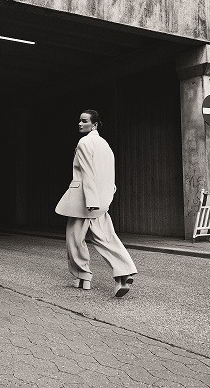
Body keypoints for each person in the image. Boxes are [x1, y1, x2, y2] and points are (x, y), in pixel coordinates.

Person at [55, 109, 137, 297]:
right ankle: (123, 272)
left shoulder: (84, 142)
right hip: (101, 199)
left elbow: (86, 172)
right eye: (79, 120)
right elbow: (109, 173)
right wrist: (105, 197)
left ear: (95, 125)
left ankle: (83, 276)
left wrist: (91, 200)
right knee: (106, 238)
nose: (80, 123)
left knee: (74, 239)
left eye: (84, 121)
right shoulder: (105, 145)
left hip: (83, 200)